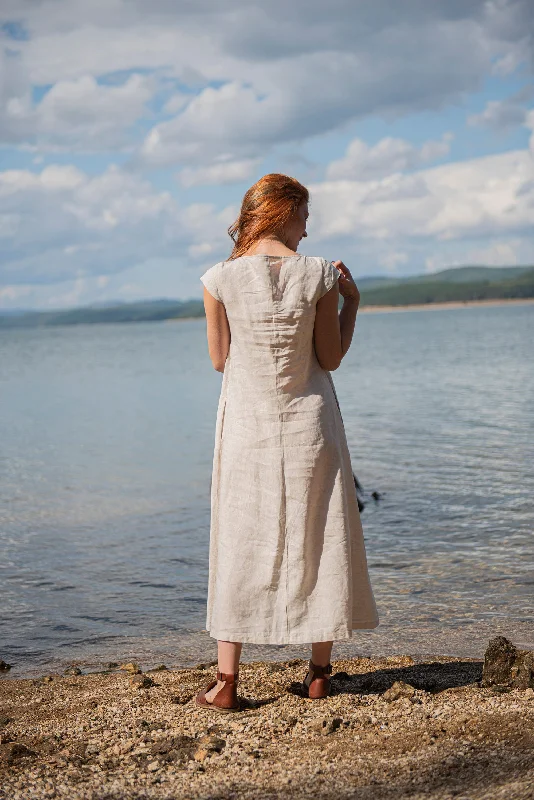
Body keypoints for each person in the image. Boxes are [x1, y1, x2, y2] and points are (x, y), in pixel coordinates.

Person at [195, 174, 379, 712]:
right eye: (304, 215)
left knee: (239, 537)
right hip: (310, 424)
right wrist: (352, 305)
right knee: (321, 533)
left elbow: (219, 359)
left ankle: (227, 682)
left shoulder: (217, 279)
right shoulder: (318, 274)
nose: (308, 226)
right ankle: (320, 675)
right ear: (283, 211)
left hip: (247, 427)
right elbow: (331, 357)